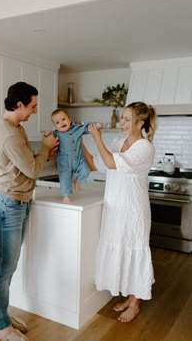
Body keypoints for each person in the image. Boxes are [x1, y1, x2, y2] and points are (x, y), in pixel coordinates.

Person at [0, 82, 59, 341]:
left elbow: (25, 164)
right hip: (8, 204)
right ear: (19, 105)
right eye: (32, 106)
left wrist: (41, 155)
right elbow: (33, 170)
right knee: (5, 268)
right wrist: (46, 149)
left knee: (7, 266)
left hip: (15, 201)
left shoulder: (15, 128)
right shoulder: (10, 134)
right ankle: (2, 326)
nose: (34, 111)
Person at [83, 102, 156, 323]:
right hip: (115, 207)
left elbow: (111, 163)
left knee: (134, 249)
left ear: (140, 123)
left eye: (127, 119)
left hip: (133, 209)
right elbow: (96, 165)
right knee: (121, 248)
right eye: (122, 118)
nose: (122, 123)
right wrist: (78, 142)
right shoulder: (117, 142)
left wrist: (97, 137)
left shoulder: (145, 147)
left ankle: (135, 302)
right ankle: (129, 297)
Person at [51, 108, 102, 203]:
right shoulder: (56, 134)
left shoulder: (76, 129)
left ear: (69, 120)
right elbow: (49, 142)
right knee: (64, 179)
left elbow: (87, 127)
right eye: (57, 122)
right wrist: (46, 136)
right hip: (64, 163)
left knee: (86, 170)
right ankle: (66, 195)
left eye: (63, 119)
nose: (61, 123)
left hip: (79, 160)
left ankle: (77, 180)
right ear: (55, 126)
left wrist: (96, 126)